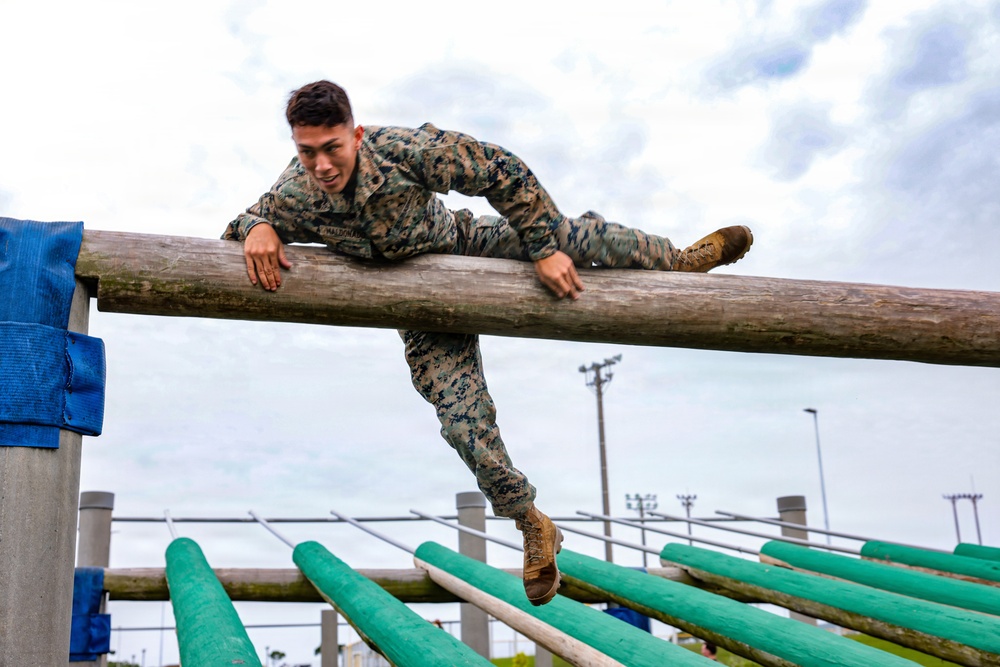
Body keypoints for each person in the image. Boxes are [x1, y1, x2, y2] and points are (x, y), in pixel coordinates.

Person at [223, 80, 752, 607]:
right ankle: (532, 523)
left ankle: (678, 259)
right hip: (417, 302)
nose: (322, 166)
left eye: (332, 148)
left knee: (567, 237)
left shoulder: (405, 150)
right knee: (461, 423)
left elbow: (502, 169)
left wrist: (543, 249)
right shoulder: (294, 192)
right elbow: (238, 228)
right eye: (307, 152)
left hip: (462, 243)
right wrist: (258, 226)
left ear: (355, 135)